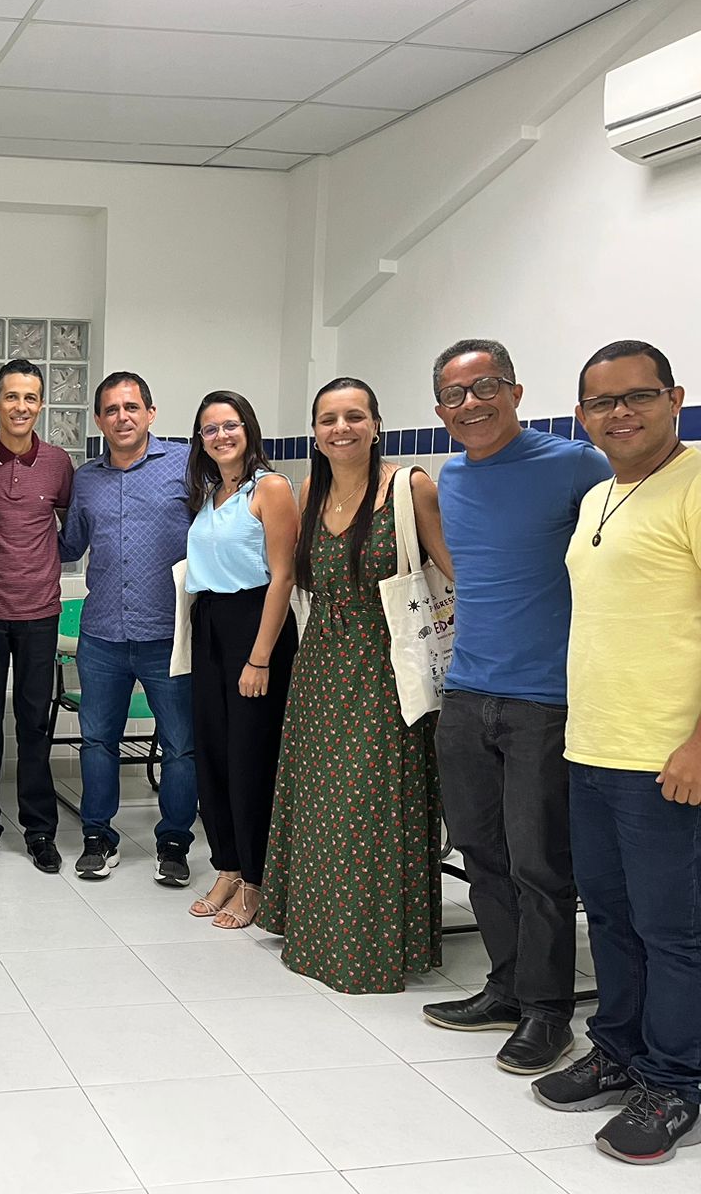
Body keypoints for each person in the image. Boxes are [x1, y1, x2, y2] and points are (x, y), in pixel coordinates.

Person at [419, 339, 610, 1073]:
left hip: (545, 702)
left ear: (517, 392)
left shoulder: (576, 466)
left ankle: (547, 1013)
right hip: (467, 693)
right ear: (440, 409)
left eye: (486, 386)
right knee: (482, 853)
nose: (471, 404)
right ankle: (506, 986)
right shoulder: (453, 477)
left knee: (540, 865)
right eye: (455, 395)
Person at [532, 340, 701, 1166]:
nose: (620, 413)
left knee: (674, 929)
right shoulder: (601, 492)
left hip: (667, 756)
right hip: (594, 744)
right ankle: (619, 1051)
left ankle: (676, 1082)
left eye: (638, 396)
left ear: (675, 398)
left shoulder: (696, 484)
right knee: (610, 916)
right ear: (581, 416)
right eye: (602, 402)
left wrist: (699, 743)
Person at [255, 377, 453, 994]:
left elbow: (457, 575)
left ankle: (369, 945)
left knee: (369, 806)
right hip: (320, 668)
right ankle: (315, 932)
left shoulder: (410, 488)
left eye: (354, 416)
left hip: (387, 669)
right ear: (315, 433)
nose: (341, 428)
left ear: (375, 424)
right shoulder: (309, 491)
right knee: (320, 804)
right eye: (328, 419)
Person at [57, 371, 196, 884]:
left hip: (169, 634)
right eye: (112, 409)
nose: (122, 417)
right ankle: (98, 838)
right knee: (98, 741)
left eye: (132, 407)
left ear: (151, 413)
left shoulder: (186, 465)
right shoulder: (86, 478)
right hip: (102, 635)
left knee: (181, 745)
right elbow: (69, 545)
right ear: (99, 419)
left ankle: (174, 844)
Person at [183, 391, 298, 930]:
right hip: (210, 624)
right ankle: (227, 867)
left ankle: (256, 879)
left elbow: (284, 576)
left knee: (250, 758)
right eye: (210, 429)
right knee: (213, 753)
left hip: (254, 627)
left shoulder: (270, 488)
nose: (221, 436)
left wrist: (260, 658)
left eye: (230, 425)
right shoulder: (211, 494)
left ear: (248, 429)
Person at [0, 359, 73, 873]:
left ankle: (39, 830)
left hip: (39, 612)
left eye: (30, 398)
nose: (20, 407)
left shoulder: (59, 463)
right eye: (11, 396)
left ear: (40, 404)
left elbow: (70, 525)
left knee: (33, 724)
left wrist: (44, 561)